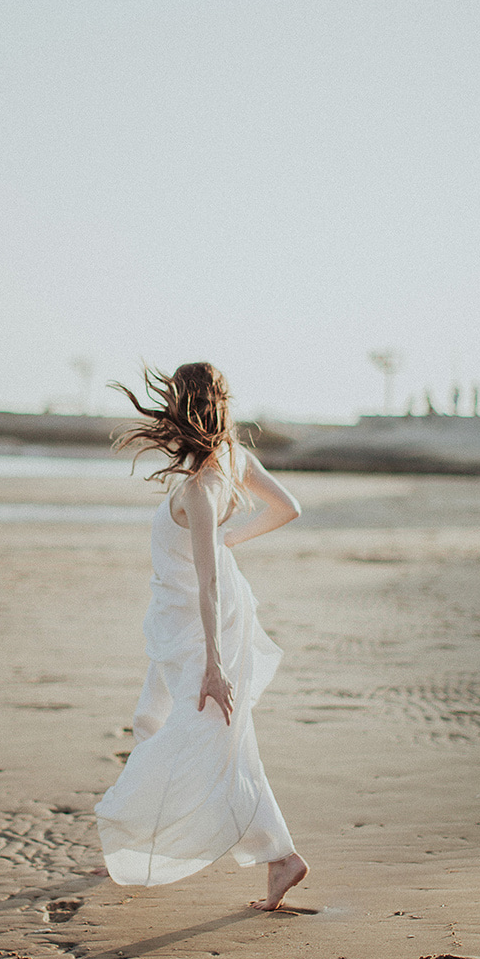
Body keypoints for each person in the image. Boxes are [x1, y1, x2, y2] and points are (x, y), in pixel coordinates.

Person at [94, 362, 309, 911]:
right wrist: (235, 535)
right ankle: (146, 836)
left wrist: (214, 665)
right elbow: (288, 508)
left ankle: (280, 856)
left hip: (198, 626)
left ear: (183, 408)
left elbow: (208, 585)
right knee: (151, 717)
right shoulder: (234, 460)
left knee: (215, 735)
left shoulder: (200, 488)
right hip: (177, 622)